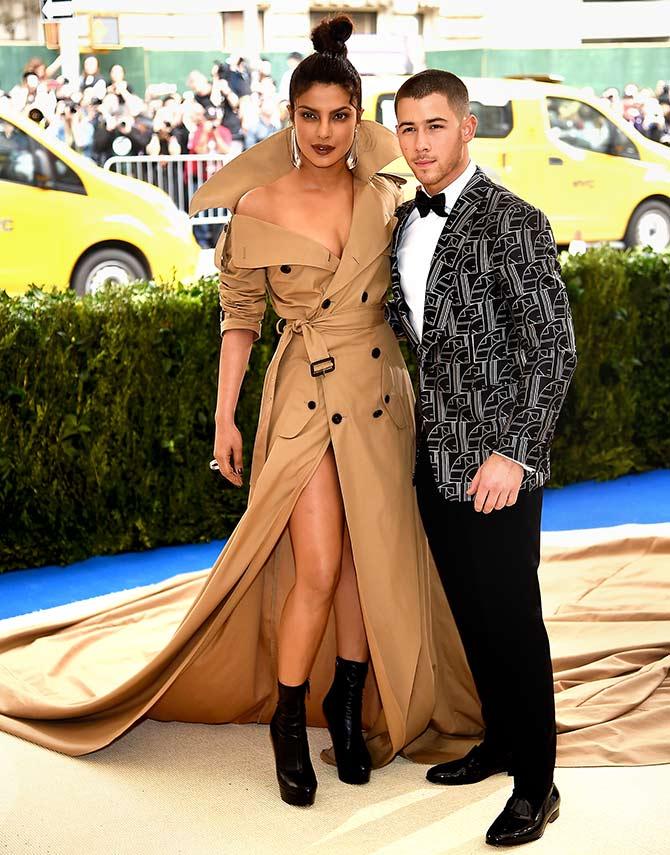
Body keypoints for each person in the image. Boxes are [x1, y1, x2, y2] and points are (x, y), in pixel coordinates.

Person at [0, 18, 482, 809]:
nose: (324, 132)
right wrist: (225, 417)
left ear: (356, 116)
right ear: (287, 118)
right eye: (308, 116)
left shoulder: (389, 197)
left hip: (378, 393)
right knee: (320, 565)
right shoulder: (256, 203)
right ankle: (288, 719)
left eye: (338, 116)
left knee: (367, 559)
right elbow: (239, 319)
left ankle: (347, 706)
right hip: (301, 394)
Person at [388, 69, 578, 847]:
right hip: (435, 458)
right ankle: (499, 741)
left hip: (499, 464)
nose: (420, 142)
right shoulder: (402, 221)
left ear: (467, 128)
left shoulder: (515, 220)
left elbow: (553, 347)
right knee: (471, 614)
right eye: (407, 128)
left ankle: (539, 782)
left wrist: (515, 452)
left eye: (434, 126)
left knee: (513, 621)